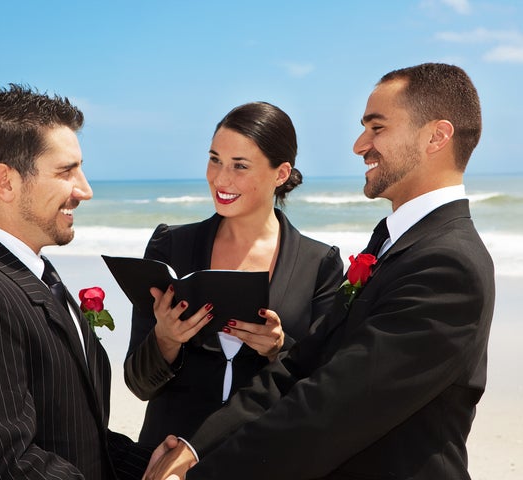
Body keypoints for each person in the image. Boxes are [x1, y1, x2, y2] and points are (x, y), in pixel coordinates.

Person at [145, 62, 495, 479]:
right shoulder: (391, 244)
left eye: (376, 128)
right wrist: (196, 446)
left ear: (436, 136)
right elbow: (302, 367)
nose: (359, 144)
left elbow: (333, 409)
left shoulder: (447, 265)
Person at [0, 84, 148, 479]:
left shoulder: (38, 274)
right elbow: (5, 465)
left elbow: (75, 433)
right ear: (6, 181)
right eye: (66, 171)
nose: (84, 190)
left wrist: (154, 464)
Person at [124, 101, 344, 447]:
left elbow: (326, 389)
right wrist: (165, 339)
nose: (220, 178)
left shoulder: (320, 265)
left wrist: (279, 348)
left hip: (261, 459)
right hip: (164, 457)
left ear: (281, 174)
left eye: (239, 166)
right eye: (215, 160)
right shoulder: (171, 245)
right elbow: (138, 384)